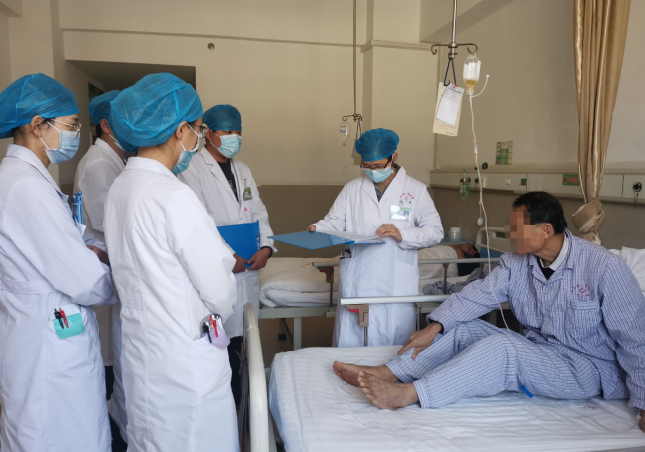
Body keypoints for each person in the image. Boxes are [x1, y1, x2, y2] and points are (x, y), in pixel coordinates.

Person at [333, 191, 645, 434]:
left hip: (587, 367)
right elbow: (478, 295)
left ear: (546, 230)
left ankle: (408, 394)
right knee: (462, 328)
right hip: (540, 352)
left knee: (504, 348)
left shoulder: (604, 268)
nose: (510, 235)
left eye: (517, 229)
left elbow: (636, 338)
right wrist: (435, 327)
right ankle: (389, 372)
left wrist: (644, 403)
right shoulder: (517, 262)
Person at [104, 73, 239, 452]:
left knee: (151, 437)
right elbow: (219, 288)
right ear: (181, 131)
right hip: (185, 356)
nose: (197, 138)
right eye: (198, 129)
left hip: (143, 347)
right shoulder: (173, 195)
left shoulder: (121, 187)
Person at [0, 73, 115, 451]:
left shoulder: (25, 178)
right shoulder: (25, 186)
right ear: (37, 125)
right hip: (47, 342)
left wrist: (86, 254)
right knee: (57, 433)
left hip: (43, 329)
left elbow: (61, 249)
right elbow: (83, 279)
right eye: (71, 125)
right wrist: (119, 277)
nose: (76, 133)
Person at [178, 104, 276, 405]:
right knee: (221, 349)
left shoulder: (242, 170)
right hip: (220, 270)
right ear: (208, 133)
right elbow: (199, 223)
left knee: (247, 342)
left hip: (248, 269)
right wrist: (227, 257)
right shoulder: (191, 169)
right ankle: (229, 407)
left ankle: (246, 405)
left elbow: (258, 211)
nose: (235, 137)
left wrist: (266, 247)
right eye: (228, 131)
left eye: (238, 131)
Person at [309, 128, 443, 347]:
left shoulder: (416, 190)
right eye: (367, 166)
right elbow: (335, 221)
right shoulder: (352, 189)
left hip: (395, 280)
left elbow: (435, 232)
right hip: (358, 277)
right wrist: (318, 227)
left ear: (394, 158)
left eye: (378, 166)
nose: (372, 171)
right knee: (352, 343)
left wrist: (402, 234)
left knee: (392, 346)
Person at [73, 90, 128, 447]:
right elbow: (112, 226)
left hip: (113, 268)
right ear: (106, 125)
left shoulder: (115, 160)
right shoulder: (98, 164)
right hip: (106, 269)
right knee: (110, 367)